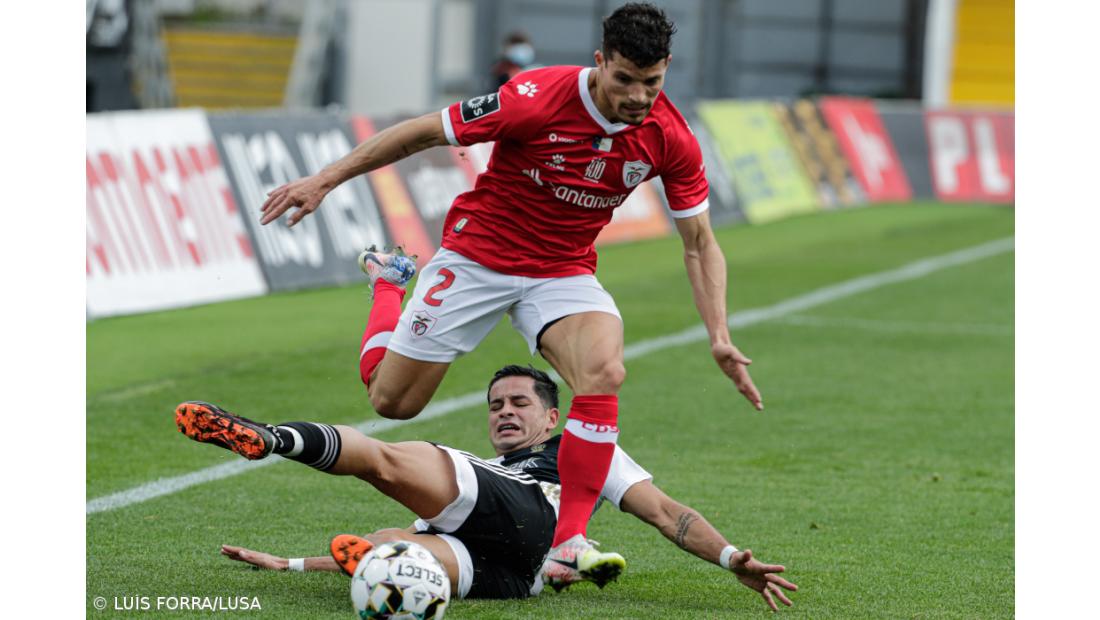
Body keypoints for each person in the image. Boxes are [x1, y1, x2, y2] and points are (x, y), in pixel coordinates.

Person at [256, 2, 765, 585]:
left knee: (604, 372)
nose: (636, 96)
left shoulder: (670, 137)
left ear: (667, 69)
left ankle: (568, 539)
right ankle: (389, 289)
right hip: (480, 257)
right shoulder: (535, 96)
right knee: (392, 403)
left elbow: (699, 244)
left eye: (651, 82)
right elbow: (420, 133)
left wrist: (720, 336)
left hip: (562, 271)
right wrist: (324, 179)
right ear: (600, 63)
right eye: (624, 79)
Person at [178, 365, 797, 611]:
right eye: (495, 404)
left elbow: (667, 514)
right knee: (394, 553)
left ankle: (270, 438)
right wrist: (290, 564)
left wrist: (729, 557)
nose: (504, 412)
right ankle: (384, 574)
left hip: (531, 516)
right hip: (509, 575)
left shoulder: (580, 449)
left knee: (388, 460)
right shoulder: (483, 471)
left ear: (552, 416)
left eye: (519, 402)